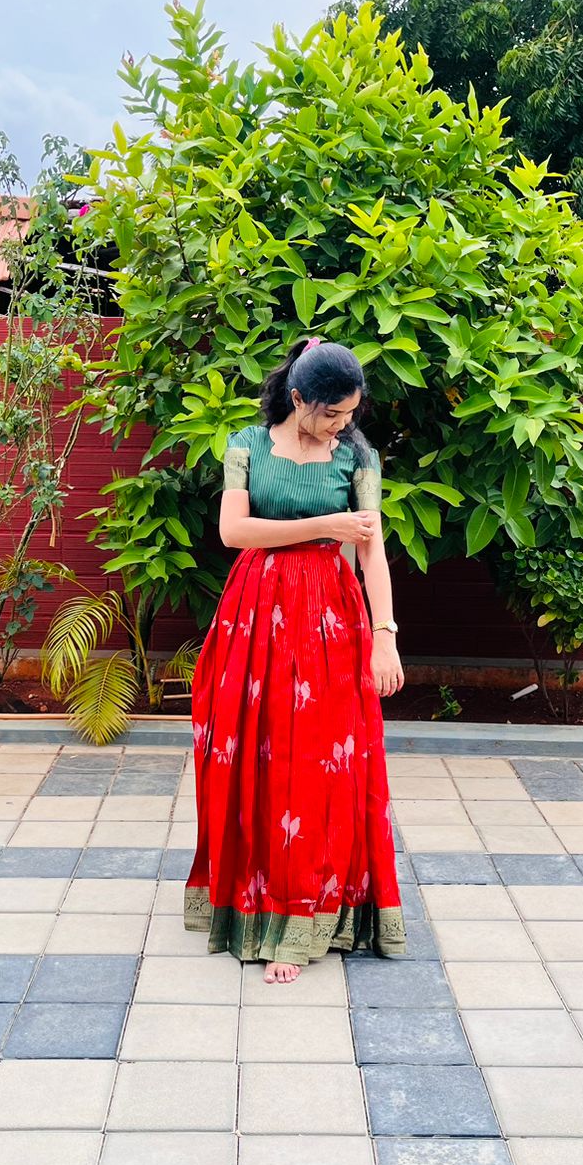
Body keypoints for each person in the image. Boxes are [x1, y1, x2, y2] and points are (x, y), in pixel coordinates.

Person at [183, 336, 407, 984]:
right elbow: (235, 532)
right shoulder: (245, 448)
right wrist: (323, 526)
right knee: (256, 760)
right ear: (300, 398)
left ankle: (305, 919)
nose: (343, 425)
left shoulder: (357, 458)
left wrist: (384, 636)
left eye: (350, 414)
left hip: (331, 626)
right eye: (332, 413)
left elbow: (371, 552)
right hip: (254, 622)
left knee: (320, 768)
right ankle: (254, 906)